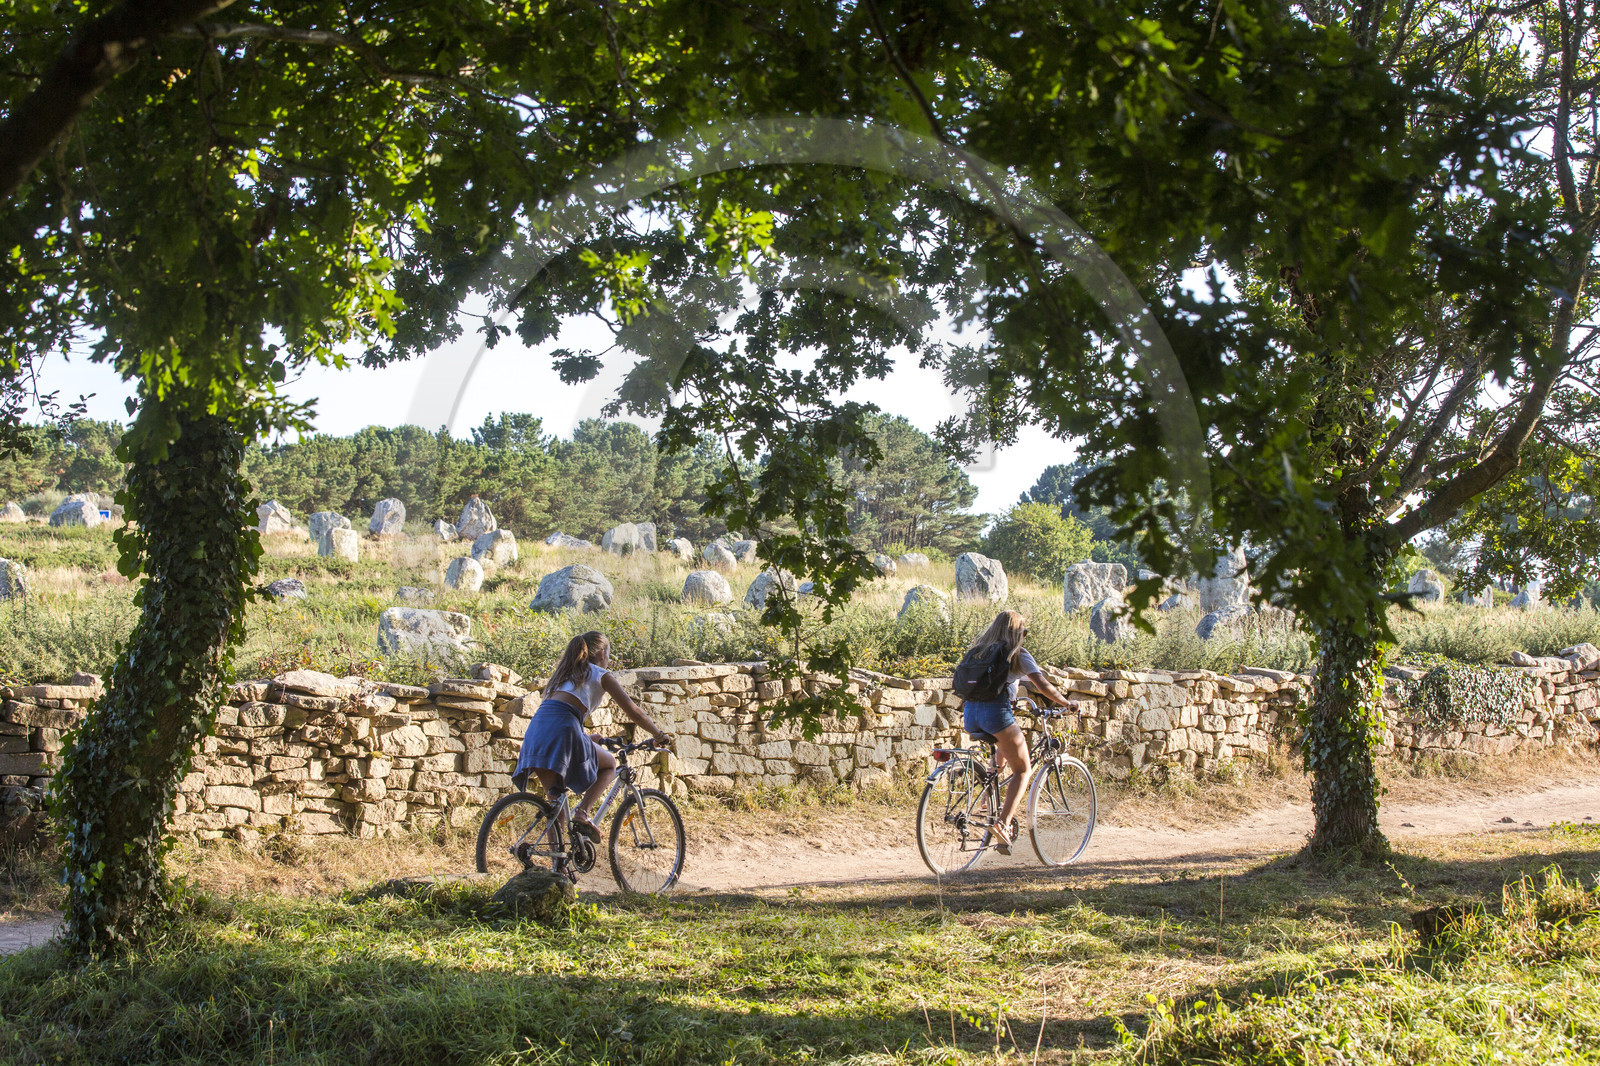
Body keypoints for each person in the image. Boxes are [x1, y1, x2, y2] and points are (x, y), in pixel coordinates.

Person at [514, 630, 672, 841]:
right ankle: (583, 812)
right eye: (609, 655)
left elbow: (556, 715)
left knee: (556, 808)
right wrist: (658, 734)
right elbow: (633, 711)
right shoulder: (600, 674)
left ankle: (557, 866)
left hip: (537, 732)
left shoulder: (563, 675)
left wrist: (586, 738)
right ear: (602, 653)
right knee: (608, 764)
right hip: (564, 729)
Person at [959, 610, 1073, 853]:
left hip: (970, 714)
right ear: (1018, 632)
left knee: (1000, 759)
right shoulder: (1017, 653)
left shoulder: (980, 649)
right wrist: (1065, 703)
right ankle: (1003, 824)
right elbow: (1042, 685)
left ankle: (986, 802)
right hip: (995, 714)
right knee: (1023, 769)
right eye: (1025, 632)